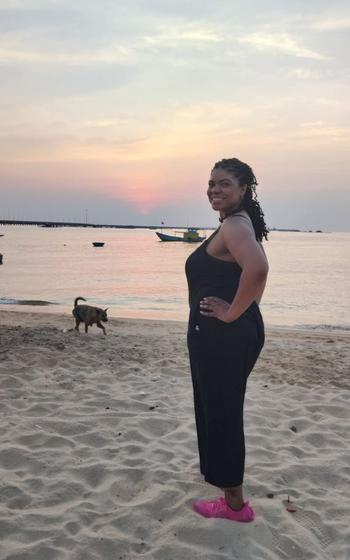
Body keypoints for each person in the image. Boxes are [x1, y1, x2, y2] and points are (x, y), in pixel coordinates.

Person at [185, 157, 269, 522]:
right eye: (211, 183)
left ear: (243, 189)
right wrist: (245, 312)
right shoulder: (238, 224)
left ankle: (235, 505)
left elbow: (259, 269)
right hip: (229, 335)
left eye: (224, 184)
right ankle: (228, 491)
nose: (214, 190)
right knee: (221, 409)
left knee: (222, 414)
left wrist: (233, 314)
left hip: (223, 337)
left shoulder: (235, 226)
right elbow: (253, 275)